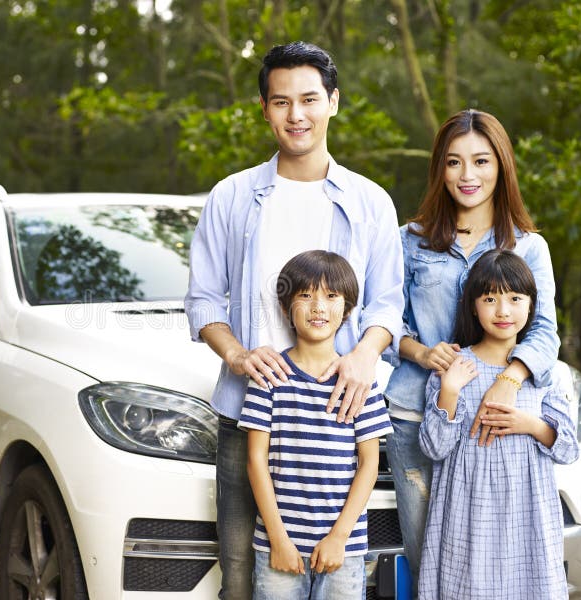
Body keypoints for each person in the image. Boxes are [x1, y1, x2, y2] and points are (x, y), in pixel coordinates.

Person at [185, 41, 404, 599]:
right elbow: (204, 299)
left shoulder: (370, 201)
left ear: (334, 101)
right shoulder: (232, 197)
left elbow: (385, 304)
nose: (296, 115)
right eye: (281, 102)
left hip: (338, 417)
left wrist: (363, 355)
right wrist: (235, 354)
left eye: (309, 99)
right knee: (244, 573)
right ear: (264, 108)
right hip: (250, 412)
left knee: (341, 573)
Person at [382, 109, 560, 590]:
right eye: (454, 162)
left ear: (500, 165)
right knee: (432, 563)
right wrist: (421, 353)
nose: (468, 175)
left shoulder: (527, 247)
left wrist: (510, 379)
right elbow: (378, 324)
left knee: (503, 562)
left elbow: (545, 332)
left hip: (500, 424)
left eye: (481, 161)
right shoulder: (410, 241)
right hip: (419, 419)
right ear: (440, 168)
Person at [418, 249, 578, 599]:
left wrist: (530, 424)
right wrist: (449, 389)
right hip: (469, 510)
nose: (503, 310)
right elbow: (433, 447)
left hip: (528, 508)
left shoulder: (541, 371)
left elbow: (568, 448)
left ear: (532, 306)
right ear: (473, 305)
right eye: (489, 298)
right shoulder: (455, 365)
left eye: (514, 298)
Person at [240, 250, 393, 599]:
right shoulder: (269, 376)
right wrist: (278, 539)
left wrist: (339, 537)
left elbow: (369, 464)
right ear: (285, 309)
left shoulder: (359, 381)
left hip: (344, 548)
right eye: (305, 295)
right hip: (278, 546)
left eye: (331, 296)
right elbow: (255, 461)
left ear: (348, 308)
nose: (318, 307)